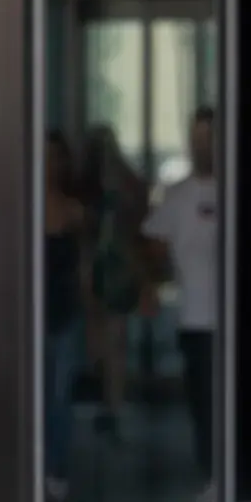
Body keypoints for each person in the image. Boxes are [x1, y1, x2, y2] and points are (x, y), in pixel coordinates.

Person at [142, 106, 217, 502]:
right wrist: (151, 285)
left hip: (233, 319)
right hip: (194, 318)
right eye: (197, 136)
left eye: (209, 136)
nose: (202, 144)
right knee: (203, 402)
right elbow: (153, 244)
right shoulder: (179, 193)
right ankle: (213, 474)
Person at [80, 124, 150, 441]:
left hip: (114, 264)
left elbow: (138, 212)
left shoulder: (123, 181)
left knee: (113, 337)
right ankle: (106, 399)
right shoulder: (88, 182)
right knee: (101, 337)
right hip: (96, 263)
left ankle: (113, 404)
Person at [44, 131, 87, 502]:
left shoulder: (74, 210)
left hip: (66, 311)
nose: (50, 165)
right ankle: (33, 467)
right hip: (29, 316)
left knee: (60, 397)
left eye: (56, 157)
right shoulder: (23, 207)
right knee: (33, 395)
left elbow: (84, 265)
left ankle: (55, 470)